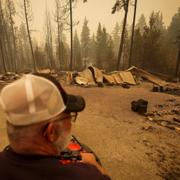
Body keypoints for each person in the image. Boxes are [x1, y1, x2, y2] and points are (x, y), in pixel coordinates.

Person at [0, 74, 111, 180]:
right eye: (70, 116)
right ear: (51, 132)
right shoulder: (86, 176)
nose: (71, 123)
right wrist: (95, 165)